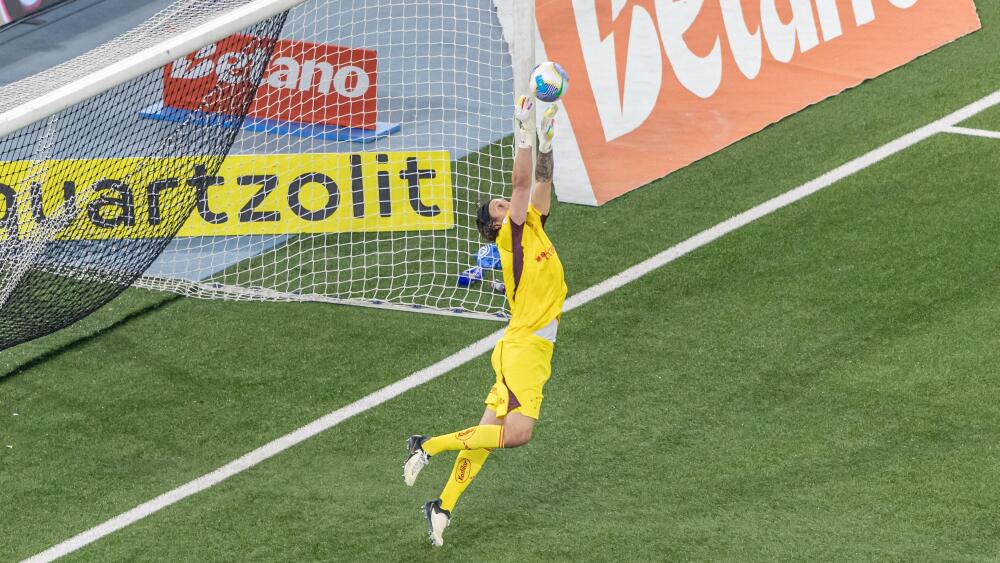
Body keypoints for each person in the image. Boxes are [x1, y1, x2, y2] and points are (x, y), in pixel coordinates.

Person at [402, 94, 567, 547]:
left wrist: (548, 137)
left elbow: (541, 183)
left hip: (527, 345)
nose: (504, 202)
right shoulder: (512, 235)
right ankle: (428, 444)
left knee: (487, 433)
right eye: (497, 207)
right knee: (517, 433)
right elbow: (520, 182)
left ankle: (443, 507)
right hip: (525, 347)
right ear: (495, 226)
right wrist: (524, 129)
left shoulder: (533, 224)